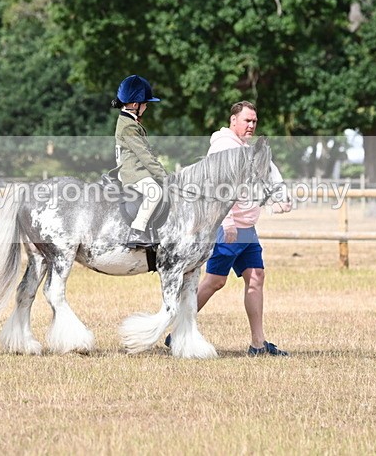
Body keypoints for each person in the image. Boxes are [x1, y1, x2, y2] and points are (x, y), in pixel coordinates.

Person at [168, 101, 292, 356]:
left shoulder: (248, 149)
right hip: (229, 227)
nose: (251, 125)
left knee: (256, 277)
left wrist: (280, 197)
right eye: (247, 120)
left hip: (247, 227)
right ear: (233, 121)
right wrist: (227, 223)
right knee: (215, 281)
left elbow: (270, 171)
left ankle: (258, 344)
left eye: (254, 121)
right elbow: (217, 187)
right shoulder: (224, 146)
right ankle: (176, 333)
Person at [112, 75, 168, 248]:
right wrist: (164, 175)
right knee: (155, 192)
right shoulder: (129, 126)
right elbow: (144, 155)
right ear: (135, 104)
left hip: (135, 168)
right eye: (145, 103)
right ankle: (137, 230)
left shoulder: (129, 121)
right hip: (132, 171)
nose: (147, 106)